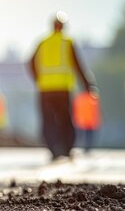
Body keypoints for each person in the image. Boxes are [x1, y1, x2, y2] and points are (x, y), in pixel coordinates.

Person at [29, 12, 93, 160]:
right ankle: (66, 149)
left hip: (45, 89)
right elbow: (78, 65)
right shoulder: (68, 42)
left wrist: (38, 79)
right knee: (65, 119)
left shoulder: (43, 42)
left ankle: (53, 149)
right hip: (63, 89)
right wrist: (88, 84)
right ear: (63, 26)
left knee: (48, 120)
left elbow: (31, 62)